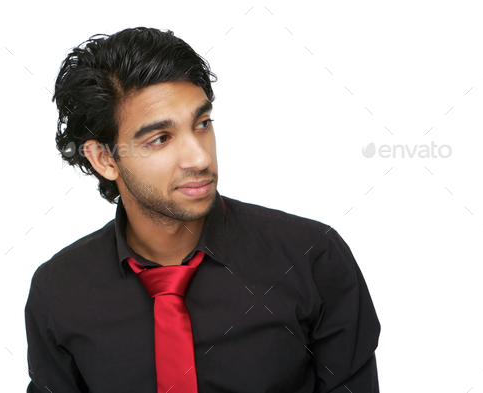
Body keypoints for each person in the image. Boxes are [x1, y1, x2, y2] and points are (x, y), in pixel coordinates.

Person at [24, 26, 381, 393]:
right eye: (160, 139)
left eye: (203, 124)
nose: (199, 156)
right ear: (103, 158)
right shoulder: (59, 291)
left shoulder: (312, 258)